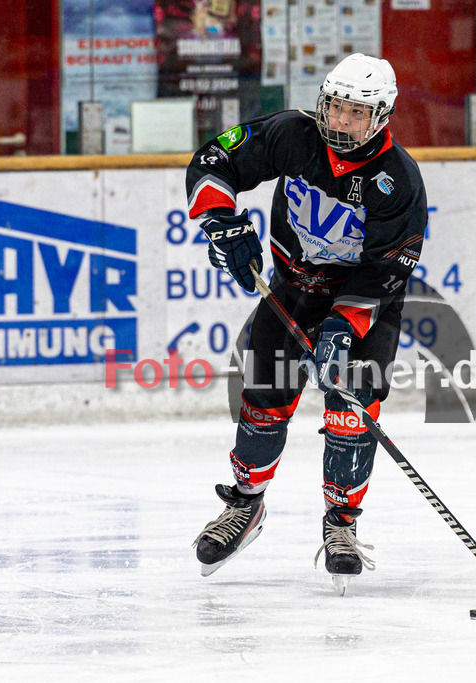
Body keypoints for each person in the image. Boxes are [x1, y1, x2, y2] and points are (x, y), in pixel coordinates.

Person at [187, 53, 428, 590]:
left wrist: (343, 328)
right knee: (262, 403)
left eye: (355, 113)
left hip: (362, 304)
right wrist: (222, 224)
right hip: (291, 292)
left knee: (351, 412)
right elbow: (213, 162)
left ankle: (341, 524)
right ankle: (246, 506)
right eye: (334, 107)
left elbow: (389, 268)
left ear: (382, 116)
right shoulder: (293, 135)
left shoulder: (399, 180)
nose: (340, 122)